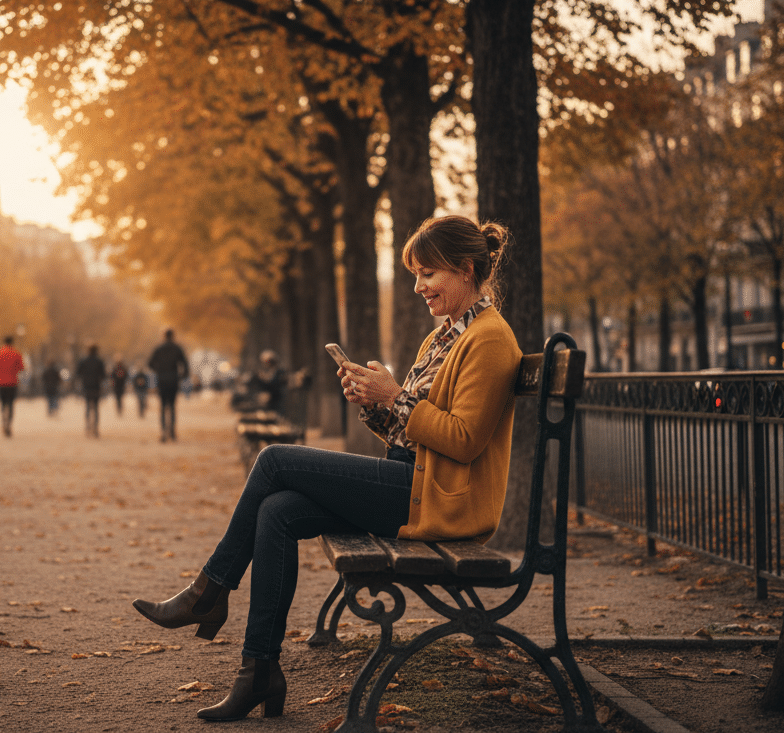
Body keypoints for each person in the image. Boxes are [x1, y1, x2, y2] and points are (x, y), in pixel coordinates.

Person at [131, 215, 520, 721]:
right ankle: (258, 671)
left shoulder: (489, 339)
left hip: (440, 498)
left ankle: (209, 591)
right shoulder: (442, 336)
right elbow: (410, 430)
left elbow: (464, 442)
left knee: (273, 459)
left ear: (467, 269)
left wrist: (396, 395)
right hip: (414, 480)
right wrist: (377, 403)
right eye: (415, 275)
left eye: (429, 274)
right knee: (278, 510)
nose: (419, 287)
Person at [148, 328, 189, 442]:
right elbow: (185, 364)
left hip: (162, 380)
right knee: (172, 406)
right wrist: (182, 376)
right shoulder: (177, 348)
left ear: (164, 336)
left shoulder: (158, 349)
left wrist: (159, 370)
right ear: (173, 336)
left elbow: (150, 363)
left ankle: (163, 432)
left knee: (162, 406)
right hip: (173, 380)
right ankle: (172, 431)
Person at [0, 336, 25, 436]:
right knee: (11, 403)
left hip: (0, 382)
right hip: (13, 382)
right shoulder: (16, 353)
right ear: (12, 342)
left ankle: (3, 420)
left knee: (3, 403)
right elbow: (21, 367)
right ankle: (9, 423)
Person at [75, 344, 106, 438]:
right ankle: (95, 428)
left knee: (88, 406)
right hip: (96, 387)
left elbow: (78, 373)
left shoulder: (83, 361)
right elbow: (103, 375)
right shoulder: (99, 361)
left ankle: (88, 426)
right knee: (96, 408)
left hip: (87, 386)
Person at [247, 349, 287, 414]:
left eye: (267, 362)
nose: (265, 364)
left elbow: (274, 386)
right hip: (269, 401)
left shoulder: (279, 372)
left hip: (276, 401)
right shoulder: (269, 372)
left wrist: (262, 379)